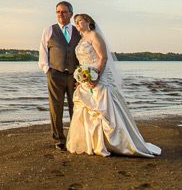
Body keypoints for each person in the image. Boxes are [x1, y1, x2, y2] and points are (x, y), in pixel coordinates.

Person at [66, 13, 161, 157]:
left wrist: (96, 76)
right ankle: (90, 143)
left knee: (103, 108)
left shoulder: (94, 36)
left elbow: (102, 57)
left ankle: (112, 143)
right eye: (76, 22)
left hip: (97, 76)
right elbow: (81, 61)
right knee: (85, 109)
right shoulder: (81, 40)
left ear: (88, 21)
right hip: (85, 78)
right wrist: (80, 77)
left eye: (80, 21)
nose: (77, 24)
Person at [38, 0, 81, 150]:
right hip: (55, 74)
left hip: (75, 76)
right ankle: (59, 139)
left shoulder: (78, 31)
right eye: (58, 12)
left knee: (75, 107)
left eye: (63, 11)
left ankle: (75, 137)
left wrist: (82, 75)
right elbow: (43, 52)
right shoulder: (49, 30)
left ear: (71, 13)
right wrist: (47, 70)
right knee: (55, 108)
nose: (60, 14)